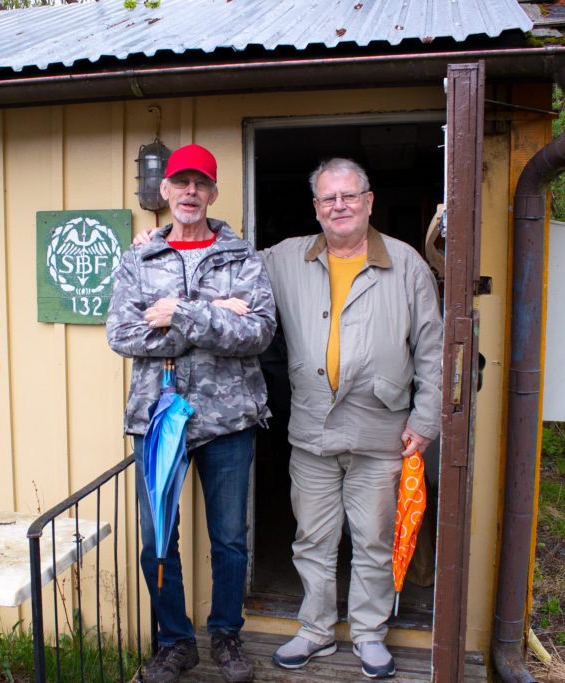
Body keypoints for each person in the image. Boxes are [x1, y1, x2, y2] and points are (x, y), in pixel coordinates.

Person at [262, 158, 442, 679]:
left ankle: (368, 633)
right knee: (313, 539)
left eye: (348, 196)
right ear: (316, 208)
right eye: (327, 198)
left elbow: (432, 347)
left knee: (373, 538)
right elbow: (228, 258)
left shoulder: (405, 262)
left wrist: (426, 418)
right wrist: (163, 237)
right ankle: (315, 631)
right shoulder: (287, 257)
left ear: (368, 201)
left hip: (382, 428)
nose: (338, 206)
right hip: (313, 429)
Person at [106, 144, 276, 683]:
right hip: (158, 422)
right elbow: (123, 334)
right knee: (157, 541)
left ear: (214, 192)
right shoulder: (139, 258)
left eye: (200, 183)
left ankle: (226, 636)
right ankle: (174, 642)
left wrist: (177, 312)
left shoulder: (243, 258)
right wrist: (215, 316)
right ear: (165, 191)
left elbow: (259, 332)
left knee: (229, 540)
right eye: (180, 182)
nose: (190, 192)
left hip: (229, 423)